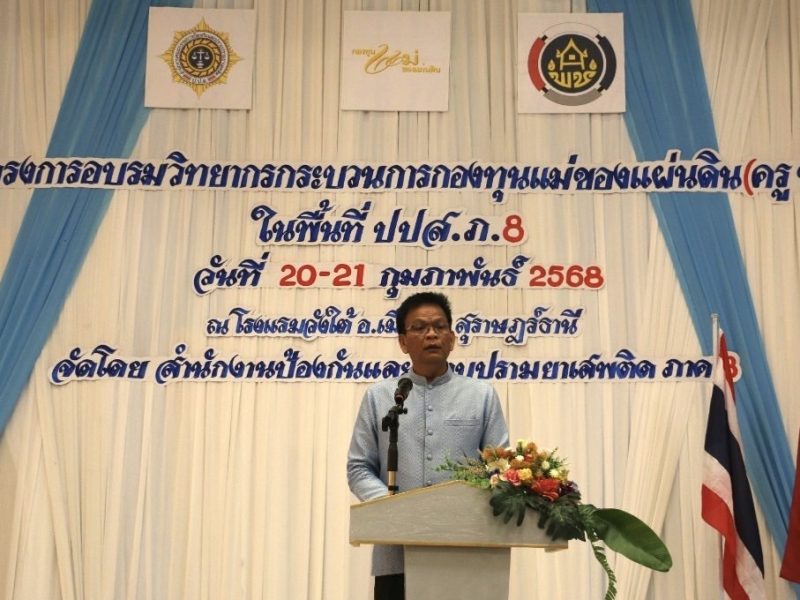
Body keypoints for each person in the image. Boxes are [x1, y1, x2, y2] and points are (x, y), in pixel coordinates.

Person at [347, 292, 509, 600]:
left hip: (466, 550)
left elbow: (500, 469)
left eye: (439, 326)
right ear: (403, 342)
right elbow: (359, 467)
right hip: (396, 553)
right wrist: (394, 508)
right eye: (419, 327)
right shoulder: (379, 397)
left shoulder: (481, 396)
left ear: (452, 338)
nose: (431, 334)